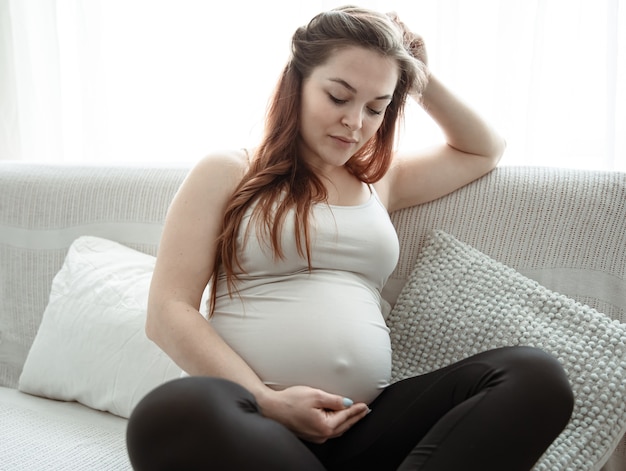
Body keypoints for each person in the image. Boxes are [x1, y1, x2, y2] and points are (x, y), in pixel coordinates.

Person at [126, 5, 573, 470]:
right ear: (295, 83)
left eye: (376, 107)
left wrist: (416, 72)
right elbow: (167, 311)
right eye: (339, 97)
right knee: (170, 412)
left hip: (362, 430)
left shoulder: (381, 181)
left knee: (533, 375)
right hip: (255, 423)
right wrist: (264, 399)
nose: (356, 122)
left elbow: (484, 149)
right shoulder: (229, 171)